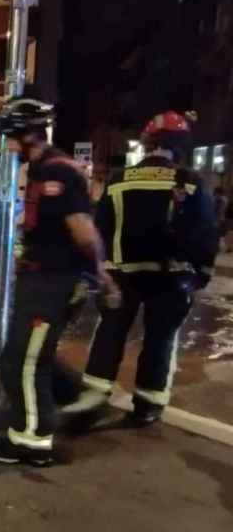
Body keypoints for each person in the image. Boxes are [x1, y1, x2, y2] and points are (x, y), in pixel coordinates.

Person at [0, 98, 120, 467]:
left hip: (51, 283)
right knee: (26, 357)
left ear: (30, 133)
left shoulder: (59, 171)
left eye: (12, 137)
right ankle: (76, 401)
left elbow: (83, 230)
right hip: (40, 281)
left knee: (22, 362)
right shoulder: (43, 169)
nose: (9, 146)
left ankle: (32, 440)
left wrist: (101, 276)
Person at [62, 111, 218, 426]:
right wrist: (201, 273)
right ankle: (148, 405)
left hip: (122, 276)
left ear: (148, 143)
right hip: (171, 278)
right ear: (181, 145)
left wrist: (97, 272)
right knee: (160, 340)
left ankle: (93, 398)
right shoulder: (189, 182)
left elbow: (100, 228)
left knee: (109, 334)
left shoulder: (119, 180)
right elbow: (205, 233)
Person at [215, 186, 229, 253]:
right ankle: (217, 247)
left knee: (216, 234)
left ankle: (216, 247)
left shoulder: (220, 199)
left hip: (218, 218)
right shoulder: (225, 199)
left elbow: (218, 210)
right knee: (219, 234)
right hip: (222, 218)